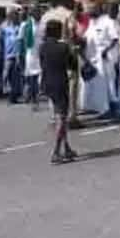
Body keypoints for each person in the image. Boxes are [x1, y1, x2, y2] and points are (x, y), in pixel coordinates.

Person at [39, 19, 77, 164]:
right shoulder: (63, 47)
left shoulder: (43, 47)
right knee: (62, 118)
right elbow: (73, 65)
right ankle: (55, 152)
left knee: (59, 116)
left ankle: (66, 148)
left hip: (47, 83)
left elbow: (43, 64)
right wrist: (71, 49)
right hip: (60, 83)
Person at [81, 3, 117, 117]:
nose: (89, 11)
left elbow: (114, 39)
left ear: (98, 9)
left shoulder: (108, 22)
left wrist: (106, 50)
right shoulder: (92, 22)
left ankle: (108, 109)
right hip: (93, 58)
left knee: (107, 85)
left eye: (91, 9)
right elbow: (87, 37)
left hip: (106, 58)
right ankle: (98, 107)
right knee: (97, 85)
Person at [21, 6, 42, 110]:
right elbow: (23, 40)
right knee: (32, 77)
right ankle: (33, 97)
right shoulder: (27, 25)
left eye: (39, 12)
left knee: (39, 77)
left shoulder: (43, 24)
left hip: (40, 53)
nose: (38, 14)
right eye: (36, 12)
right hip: (31, 54)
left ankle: (37, 97)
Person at [0, 9, 22, 104]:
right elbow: (0, 39)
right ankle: (8, 91)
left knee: (15, 76)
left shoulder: (20, 26)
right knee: (6, 74)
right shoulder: (4, 26)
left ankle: (13, 95)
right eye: (12, 16)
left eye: (15, 16)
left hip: (17, 54)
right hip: (7, 54)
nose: (14, 17)